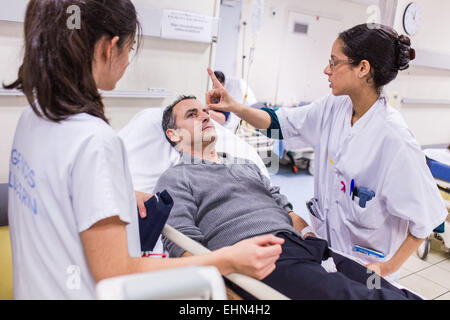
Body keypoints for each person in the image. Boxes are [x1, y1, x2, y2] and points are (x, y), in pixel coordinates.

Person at [4, 0, 284, 299]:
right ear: (108, 48)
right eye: (130, 49)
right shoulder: (97, 143)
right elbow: (115, 273)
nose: (127, 61)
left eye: (205, 112)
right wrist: (227, 260)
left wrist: (117, 194)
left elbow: (57, 193)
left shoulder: (33, 118)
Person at [205, 23, 448, 279]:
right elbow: (279, 125)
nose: (326, 70)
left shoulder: (395, 140)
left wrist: (386, 268)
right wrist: (235, 108)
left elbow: (425, 220)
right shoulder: (334, 108)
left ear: (363, 68)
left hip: (369, 269)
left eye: (334, 62)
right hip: (325, 252)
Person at [155, 95, 421, 300]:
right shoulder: (176, 178)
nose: (205, 116)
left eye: (205, 111)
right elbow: (184, 245)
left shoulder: (246, 165)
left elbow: (285, 209)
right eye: (192, 114)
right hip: (259, 259)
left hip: (308, 249)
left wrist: (311, 238)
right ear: (174, 134)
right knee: (361, 296)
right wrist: (226, 287)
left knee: (379, 285)